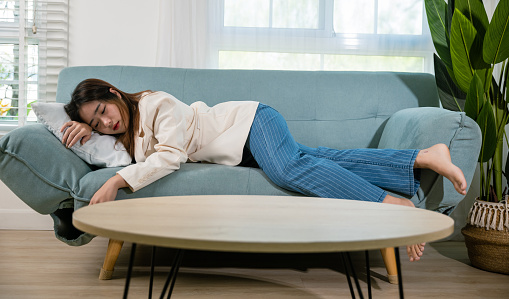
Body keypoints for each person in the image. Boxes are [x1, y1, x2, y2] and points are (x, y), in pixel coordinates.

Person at [62, 78, 467, 262]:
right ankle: (420, 156)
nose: (106, 122)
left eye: (103, 110)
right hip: (244, 148)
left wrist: (117, 181)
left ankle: (392, 203)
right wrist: (86, 129)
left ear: (114, 93)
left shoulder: (155, 104)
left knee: (290, 169)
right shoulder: (125, 134)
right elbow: (120, 147)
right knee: (319, 160)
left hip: (252, 122)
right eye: (96, 122)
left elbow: (169, 157)